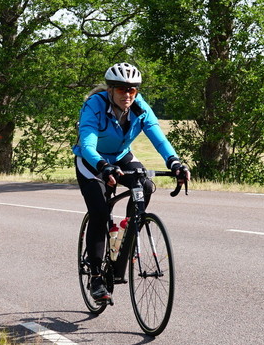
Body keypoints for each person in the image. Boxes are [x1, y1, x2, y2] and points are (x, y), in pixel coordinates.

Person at [72, 62, 190, 303]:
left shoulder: (140, 107)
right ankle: (95, 276)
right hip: (92, 161)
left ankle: (127, 232)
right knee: (100, 212)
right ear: (110, 89)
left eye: (132, 90)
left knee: (145, 184)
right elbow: (88, 144)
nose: (127, 95)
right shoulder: (94, 105)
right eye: (121, 89)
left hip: (121, 155)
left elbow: (158, 137)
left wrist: (175, 162)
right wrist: (103, 167)